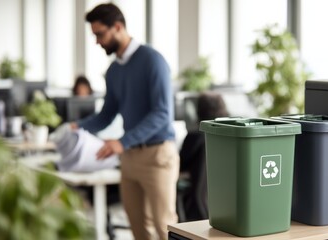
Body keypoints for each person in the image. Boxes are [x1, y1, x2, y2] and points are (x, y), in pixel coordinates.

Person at [72, 3, 179, 240]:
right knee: (139, 229)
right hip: (129, 157)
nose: (97, 41)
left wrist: (123, 141)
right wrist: (77, 127)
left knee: (165, 228)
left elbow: (162, 113)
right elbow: (106, 114)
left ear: (118, 27)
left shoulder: (153, 61)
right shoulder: (113, 71)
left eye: (100, 34)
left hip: (157, 155)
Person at [179, 92, 229, 221]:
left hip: (198, 207)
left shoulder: (195, 136)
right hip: (225, 202)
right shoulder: (231, 136)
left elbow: (181, 164)